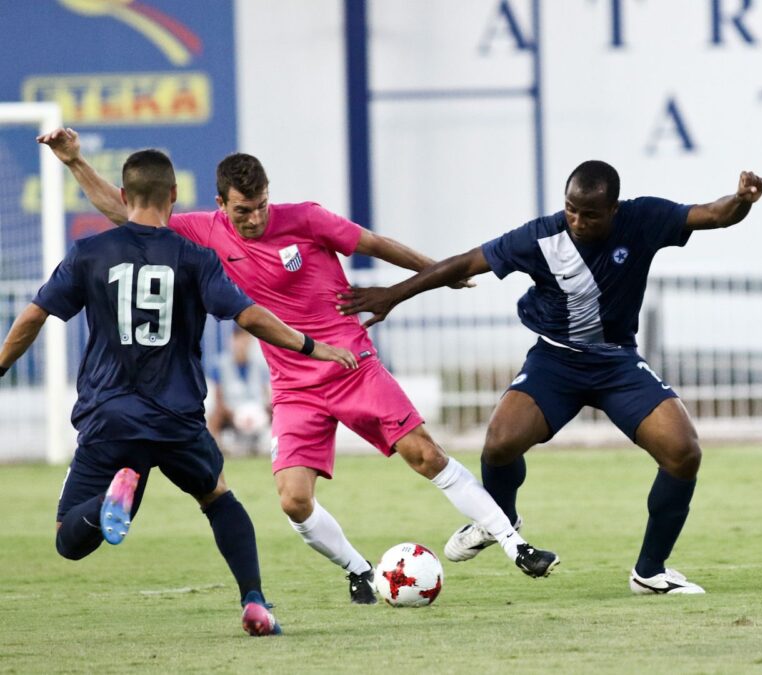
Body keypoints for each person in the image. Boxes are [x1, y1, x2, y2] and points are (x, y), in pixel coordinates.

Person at [39, 128, 558, 606]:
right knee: (292, 500)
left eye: (261, 205)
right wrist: (75, 161)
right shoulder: (204, 232)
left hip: (352, 364)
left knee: (422, 453)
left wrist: (436, 272)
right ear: (221, 204)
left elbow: (374, 243)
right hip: (293, 386)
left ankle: (517, 544)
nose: (255, 217)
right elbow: (125, 211)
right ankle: (359, 571)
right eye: (244, 210)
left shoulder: (307, 218)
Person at [337, 160, 762, 594]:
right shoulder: (541, 236)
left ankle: (650, 572)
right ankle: (499, 519)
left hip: (616, 361)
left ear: (614, 209)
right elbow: (466, 262)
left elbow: (714, 214)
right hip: (555, 362)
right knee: (500, 443)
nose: (577, 221)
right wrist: (392, 295)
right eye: (571, 209)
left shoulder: (644, 219)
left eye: (591, 214)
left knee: (684, 452)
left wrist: (743, 200)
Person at [0, 149, 360, 636]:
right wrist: (311, 345)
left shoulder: (90, 253)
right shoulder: (195, 258)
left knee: (69, 537)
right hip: (178, 418)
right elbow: (247, 315)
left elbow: (35, 314)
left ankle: (113, 494)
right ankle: (254, 600)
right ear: (174, 196)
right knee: (218, 499)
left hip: (110, 416)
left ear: (124, 197)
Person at [207, 324, 272, 456]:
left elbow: (267, 396)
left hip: (257, 413)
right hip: (232, 414)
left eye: (245, 339)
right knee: (214, 415)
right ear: (232, 340)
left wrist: (261, 414)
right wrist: (235, 416)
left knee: (277, 410)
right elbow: (218, 400)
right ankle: (211, 449)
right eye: (238, 339)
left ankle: (276, 444)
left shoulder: (260, 365)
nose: (242, 344)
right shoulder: (220, 365)